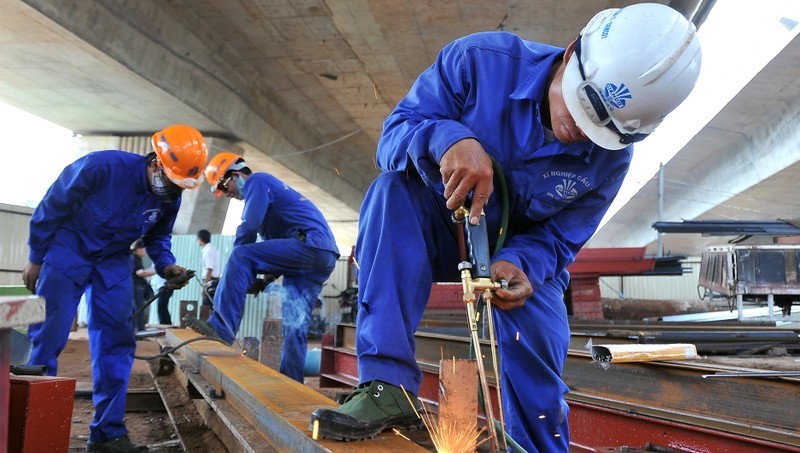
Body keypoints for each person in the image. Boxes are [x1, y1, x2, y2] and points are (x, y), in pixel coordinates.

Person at [309, 3, 702, 451]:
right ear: (572, 54)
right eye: (582, 105)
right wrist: (446, 139)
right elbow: (393, 135)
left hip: (513, 257)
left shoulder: (612, 157)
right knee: (390, 192)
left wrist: (520, 261)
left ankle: (537, 444)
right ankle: (386, 389)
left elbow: (560, 237)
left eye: (605, 129)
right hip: (439, 223)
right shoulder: (480, 62)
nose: (580, 130)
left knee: (537, 336)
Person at [22, 124, 208, 453]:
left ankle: (107, 434)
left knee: (117, 344)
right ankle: (35, 434)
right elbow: (52, 206)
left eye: (181, 186)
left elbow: (157, 238)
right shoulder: (101, 166)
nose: (173, 192)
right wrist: (37, 258)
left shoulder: (170, 194)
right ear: (156, 163)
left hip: (113, 263)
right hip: (67, 253)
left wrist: (166, 265)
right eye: (171, 181)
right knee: (47, 339)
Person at [184, 153, 340, 383]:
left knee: (240, 254)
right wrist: (262, 281)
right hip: (320, 255)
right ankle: (292, 381)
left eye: (223, 186)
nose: (226, 193)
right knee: (294, 320)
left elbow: (248, 229)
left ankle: (221, 329)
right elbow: (277, 251)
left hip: (310, 246)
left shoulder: (258, 181)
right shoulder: (270, 205)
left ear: (235, 175)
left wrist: (233, 272)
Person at [131, 239, 155, 332]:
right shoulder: (134, 258)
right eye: (144, 248)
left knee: (135, 309)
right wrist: (156, 271)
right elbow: (140, 273)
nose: (145, 251)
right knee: (139, 309)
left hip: (136, 286)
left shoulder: (135, 258)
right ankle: (140, 330)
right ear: (138, 249)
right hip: (136, 286)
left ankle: (134, 329)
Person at [197, 229, 221, 309]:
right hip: (213, 280)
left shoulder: (208, 251)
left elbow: (209, 269)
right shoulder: (212, 249)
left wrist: (205, 286)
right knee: (210, 306)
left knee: (206, 307)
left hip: (210, 281)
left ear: (200, 239)